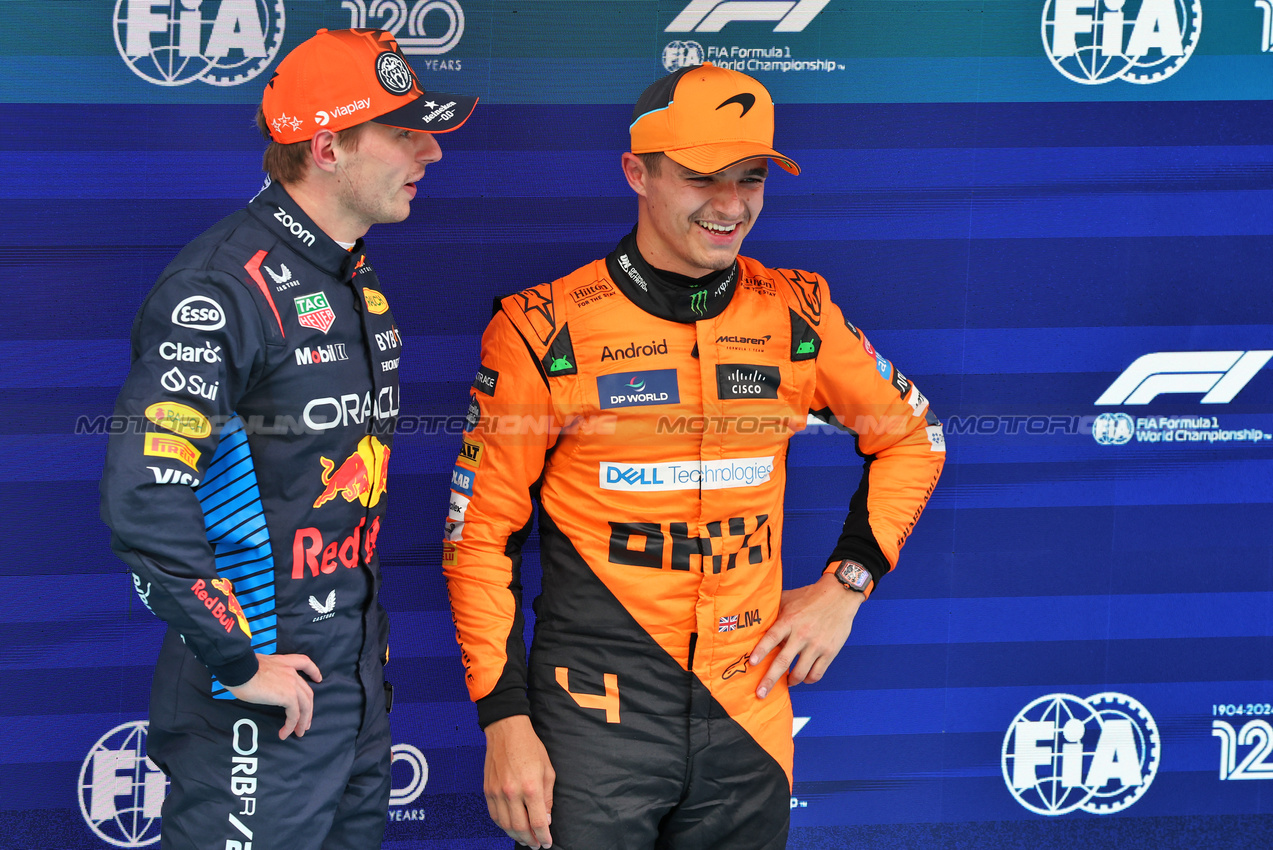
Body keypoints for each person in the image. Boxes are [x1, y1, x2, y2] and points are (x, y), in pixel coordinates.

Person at [443, 62, 945, 849]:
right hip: (593, 724)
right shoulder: (541, 329)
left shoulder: (798, 312)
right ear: (635, 172)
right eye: (702, 177)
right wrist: (503, 720)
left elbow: (913, 436)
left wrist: (846, 584)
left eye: (749, 178)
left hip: (748, 715)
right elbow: (478, 537)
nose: (730, 205)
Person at [99, 28, 475, 849]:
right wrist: (237, 660)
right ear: (327, 145)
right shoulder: (219, 287)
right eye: (405, 132)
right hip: (258, 692)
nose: (432, 152)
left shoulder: (348, 275)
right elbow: (144, 493)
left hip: (350, 685)